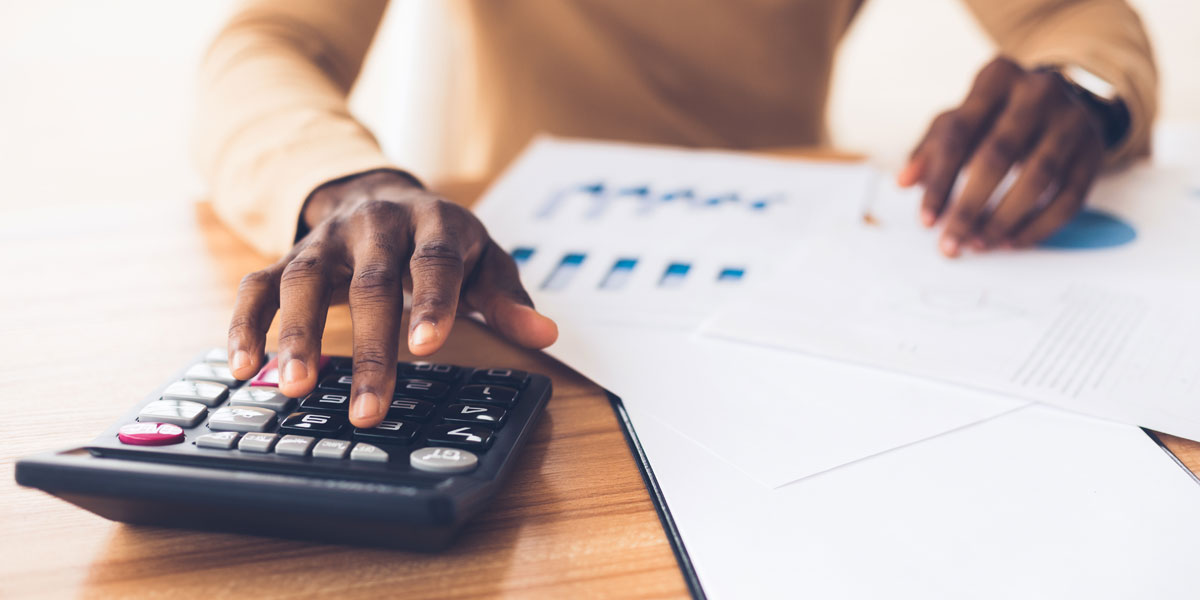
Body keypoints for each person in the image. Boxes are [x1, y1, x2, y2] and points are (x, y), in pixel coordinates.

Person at [194, 0, 1156, 428]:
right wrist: (345, 182)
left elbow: (1076, 19)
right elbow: (267, 40)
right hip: (499, 287)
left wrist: (1081, 90)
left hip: (776, 282)